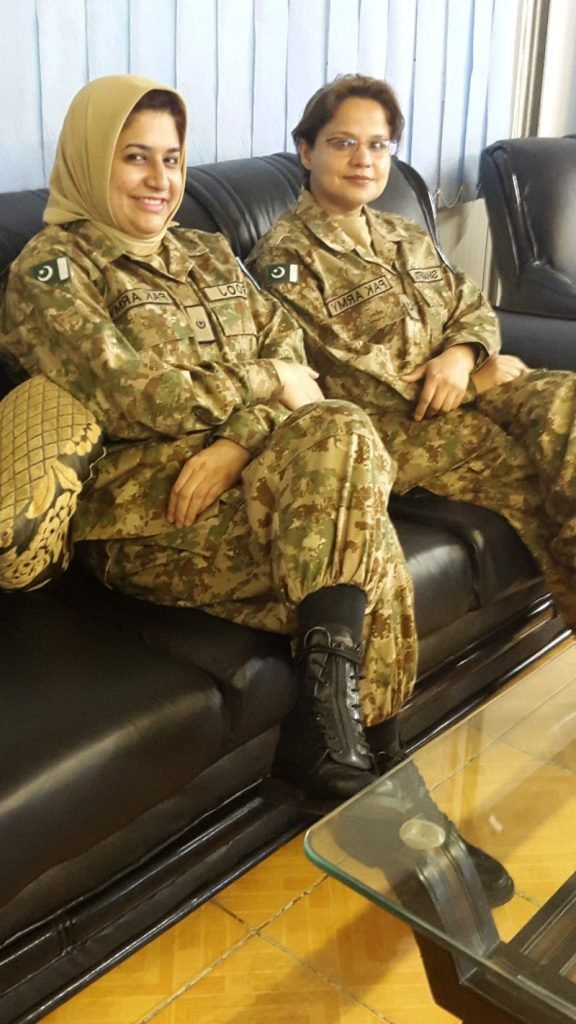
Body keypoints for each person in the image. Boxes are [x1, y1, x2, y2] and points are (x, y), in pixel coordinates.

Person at [0, 74, 513, 907]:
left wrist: (242, 436)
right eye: (135, 159)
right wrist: (266, 385)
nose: (161, 180)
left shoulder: (205, 253)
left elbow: (300, 369)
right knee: (361, 545)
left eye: (171, 158)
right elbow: (132, 394)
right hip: (151, 513)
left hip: (251, 475)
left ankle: (338, 761)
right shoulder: (53, 271)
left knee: (344, 430)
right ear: (93, 162)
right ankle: (388, 801)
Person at [249, 74, 576, 636]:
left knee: (568, 398)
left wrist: (464, 354)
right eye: (343, 142)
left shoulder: (405, 233)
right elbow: (354, 380)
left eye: (378, 145)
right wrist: (477, 382)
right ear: (307, 150)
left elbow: (469, 304)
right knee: (535, 478)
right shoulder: (286, 260)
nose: (364, 160)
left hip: (468, 388)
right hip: (398, 432)